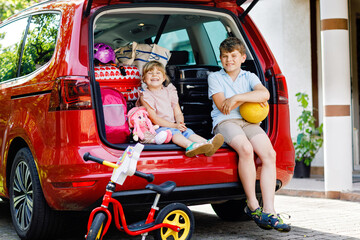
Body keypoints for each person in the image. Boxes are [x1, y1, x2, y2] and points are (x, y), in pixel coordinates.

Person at [208, 37, 290, 232]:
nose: (229, 60)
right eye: (225, 56)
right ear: (220, 59)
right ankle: (253, 205)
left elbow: (265, 95)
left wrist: (237, 97)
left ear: (242, 57)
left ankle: (269, 210)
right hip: (225, 122)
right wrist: (250, 98)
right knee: (245, 149)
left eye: (233, 56)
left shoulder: (249, 76)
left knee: (269, 154)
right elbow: (223, 107)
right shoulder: (215, 77)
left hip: (249, 122)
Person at [140, 61, 224, 157]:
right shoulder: (145, 95)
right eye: (150, 73)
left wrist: (180, 123)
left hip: (173, 125)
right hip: (157, 129)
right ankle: (190, 146)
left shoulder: (169, 91)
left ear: (163, 78)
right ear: (144, 79)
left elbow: (178, 113)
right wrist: (174, 126)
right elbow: (154, 118)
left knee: (187, 131)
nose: (154, 75)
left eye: (158, 72)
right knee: (174, 133)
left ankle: (207, 143)